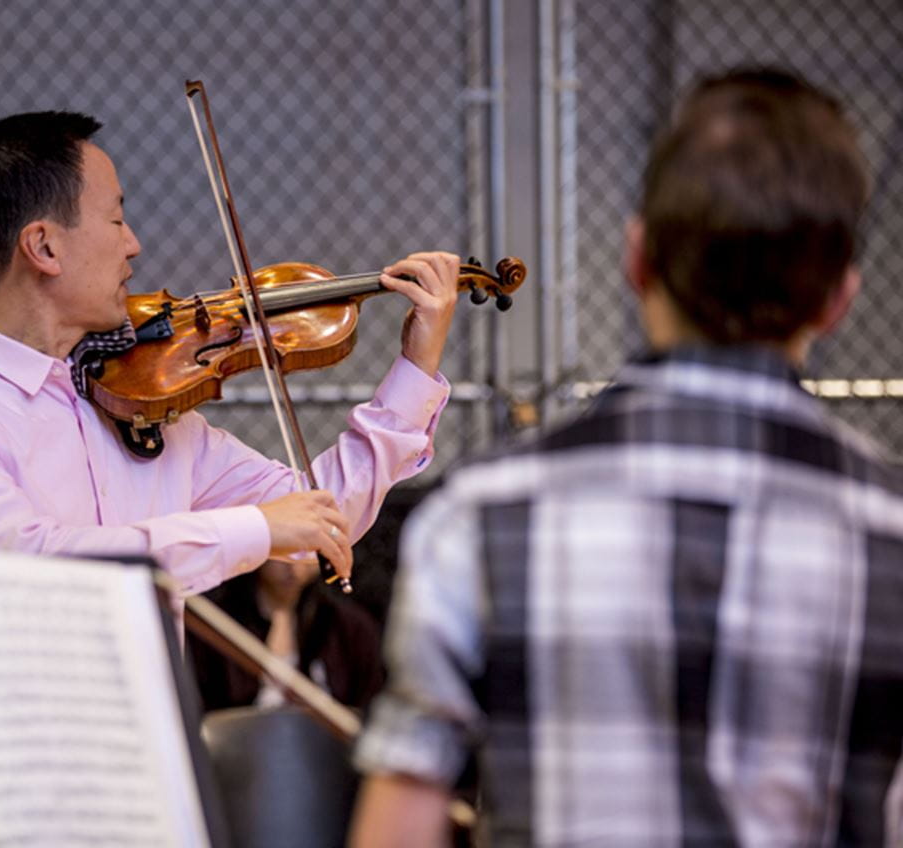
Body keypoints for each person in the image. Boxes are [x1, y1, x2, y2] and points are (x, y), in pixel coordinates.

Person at [350, 68, 901, 845]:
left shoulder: (478, 517)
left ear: (636, 260)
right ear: (839, 298)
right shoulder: (889, 531)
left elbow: (397, 829)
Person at [0, 110, 459, 604]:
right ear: (44, 246)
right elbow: (30, 566)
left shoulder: (140, 410)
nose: (134, 244)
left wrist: (415, 366)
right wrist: (251, 530)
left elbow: (323, 515)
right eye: (116, 218)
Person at [188, 556, 386, 712]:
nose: (294, 567)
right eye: (285, 551)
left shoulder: (348, 627)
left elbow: (369, 704)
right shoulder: (215, 621)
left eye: (306, 551)